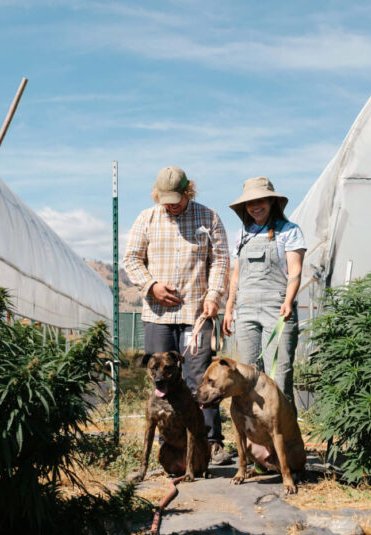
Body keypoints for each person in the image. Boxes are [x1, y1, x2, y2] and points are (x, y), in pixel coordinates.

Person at [124, 166, 232, 465]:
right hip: (158, 314)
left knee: (200, 379)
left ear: (189, 192)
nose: (172, 204)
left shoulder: (208, 218)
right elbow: (131, 259)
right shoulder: (146, 219)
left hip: (196, 314)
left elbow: (221, 260)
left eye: (177, 198)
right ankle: (168, 447)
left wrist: (213, 297)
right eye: (165, 199)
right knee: (162, 380)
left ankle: (211, 442)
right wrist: (151, 285)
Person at [222, 176, 305, 408]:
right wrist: (229, 308)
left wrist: (288, 301)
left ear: (271, 202)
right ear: (245, 207)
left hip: (277, 309)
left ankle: (283, 440)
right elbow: (236, 273)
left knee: (279, 376)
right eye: (250, 203)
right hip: (246, 309)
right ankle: (253, 441)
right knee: (246, 375)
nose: (255, 206)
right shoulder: (243, 234)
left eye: (261, 201)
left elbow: (295, 269)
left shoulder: (290, 231)